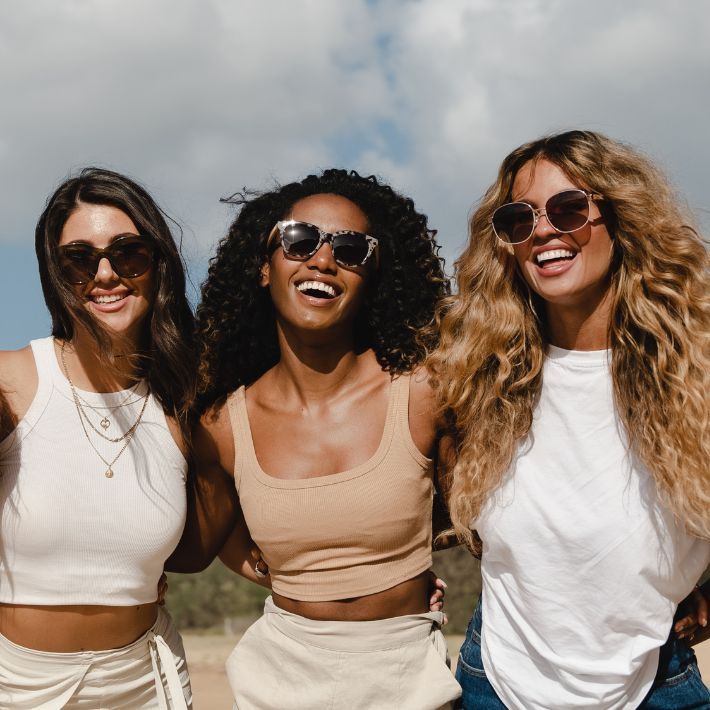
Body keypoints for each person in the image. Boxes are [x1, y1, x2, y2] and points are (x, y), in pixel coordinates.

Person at [429, 129, 710, 709]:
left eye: (568, 209)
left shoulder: (697, 371)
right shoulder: (474, 376)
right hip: (497, 686)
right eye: (518, 219)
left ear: (620, 218)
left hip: (654, 682)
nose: (543, 232)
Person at [169, 168, 462, 709]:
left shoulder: (426, 391)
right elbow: (190, 552)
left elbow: (491, 518)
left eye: (351, 249)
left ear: (372, 276)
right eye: (300, 240)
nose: (324, 260)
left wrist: (408, 566)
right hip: (279, 681)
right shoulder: (222, 426)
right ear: (264, 267)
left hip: (408, 678)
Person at [0, 167, 195, 708]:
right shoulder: (11, 381)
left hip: (144, 681)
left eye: (128, 253)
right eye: (80, 260)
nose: (105, 274)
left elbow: (221, 538)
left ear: (158, 265)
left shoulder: (183, 407)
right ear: (55, 275)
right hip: (15, 685)